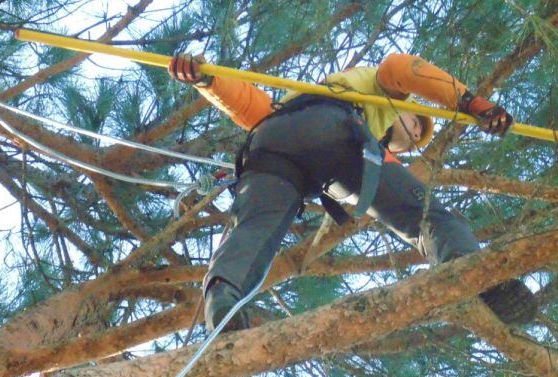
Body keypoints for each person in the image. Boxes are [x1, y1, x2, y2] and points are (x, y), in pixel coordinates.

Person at [168, 53, 538, 332]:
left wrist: (207, 80)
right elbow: (404, 68)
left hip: (271, 145)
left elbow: (255, 109)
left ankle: (224, 298)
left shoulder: (307, 102)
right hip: (336, 133)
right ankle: (471, 268)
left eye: (416, 139)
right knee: (424, 215)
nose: (413, 135)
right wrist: (472, 103)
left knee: (252, 229)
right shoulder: (372, 91)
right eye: (414, 122)